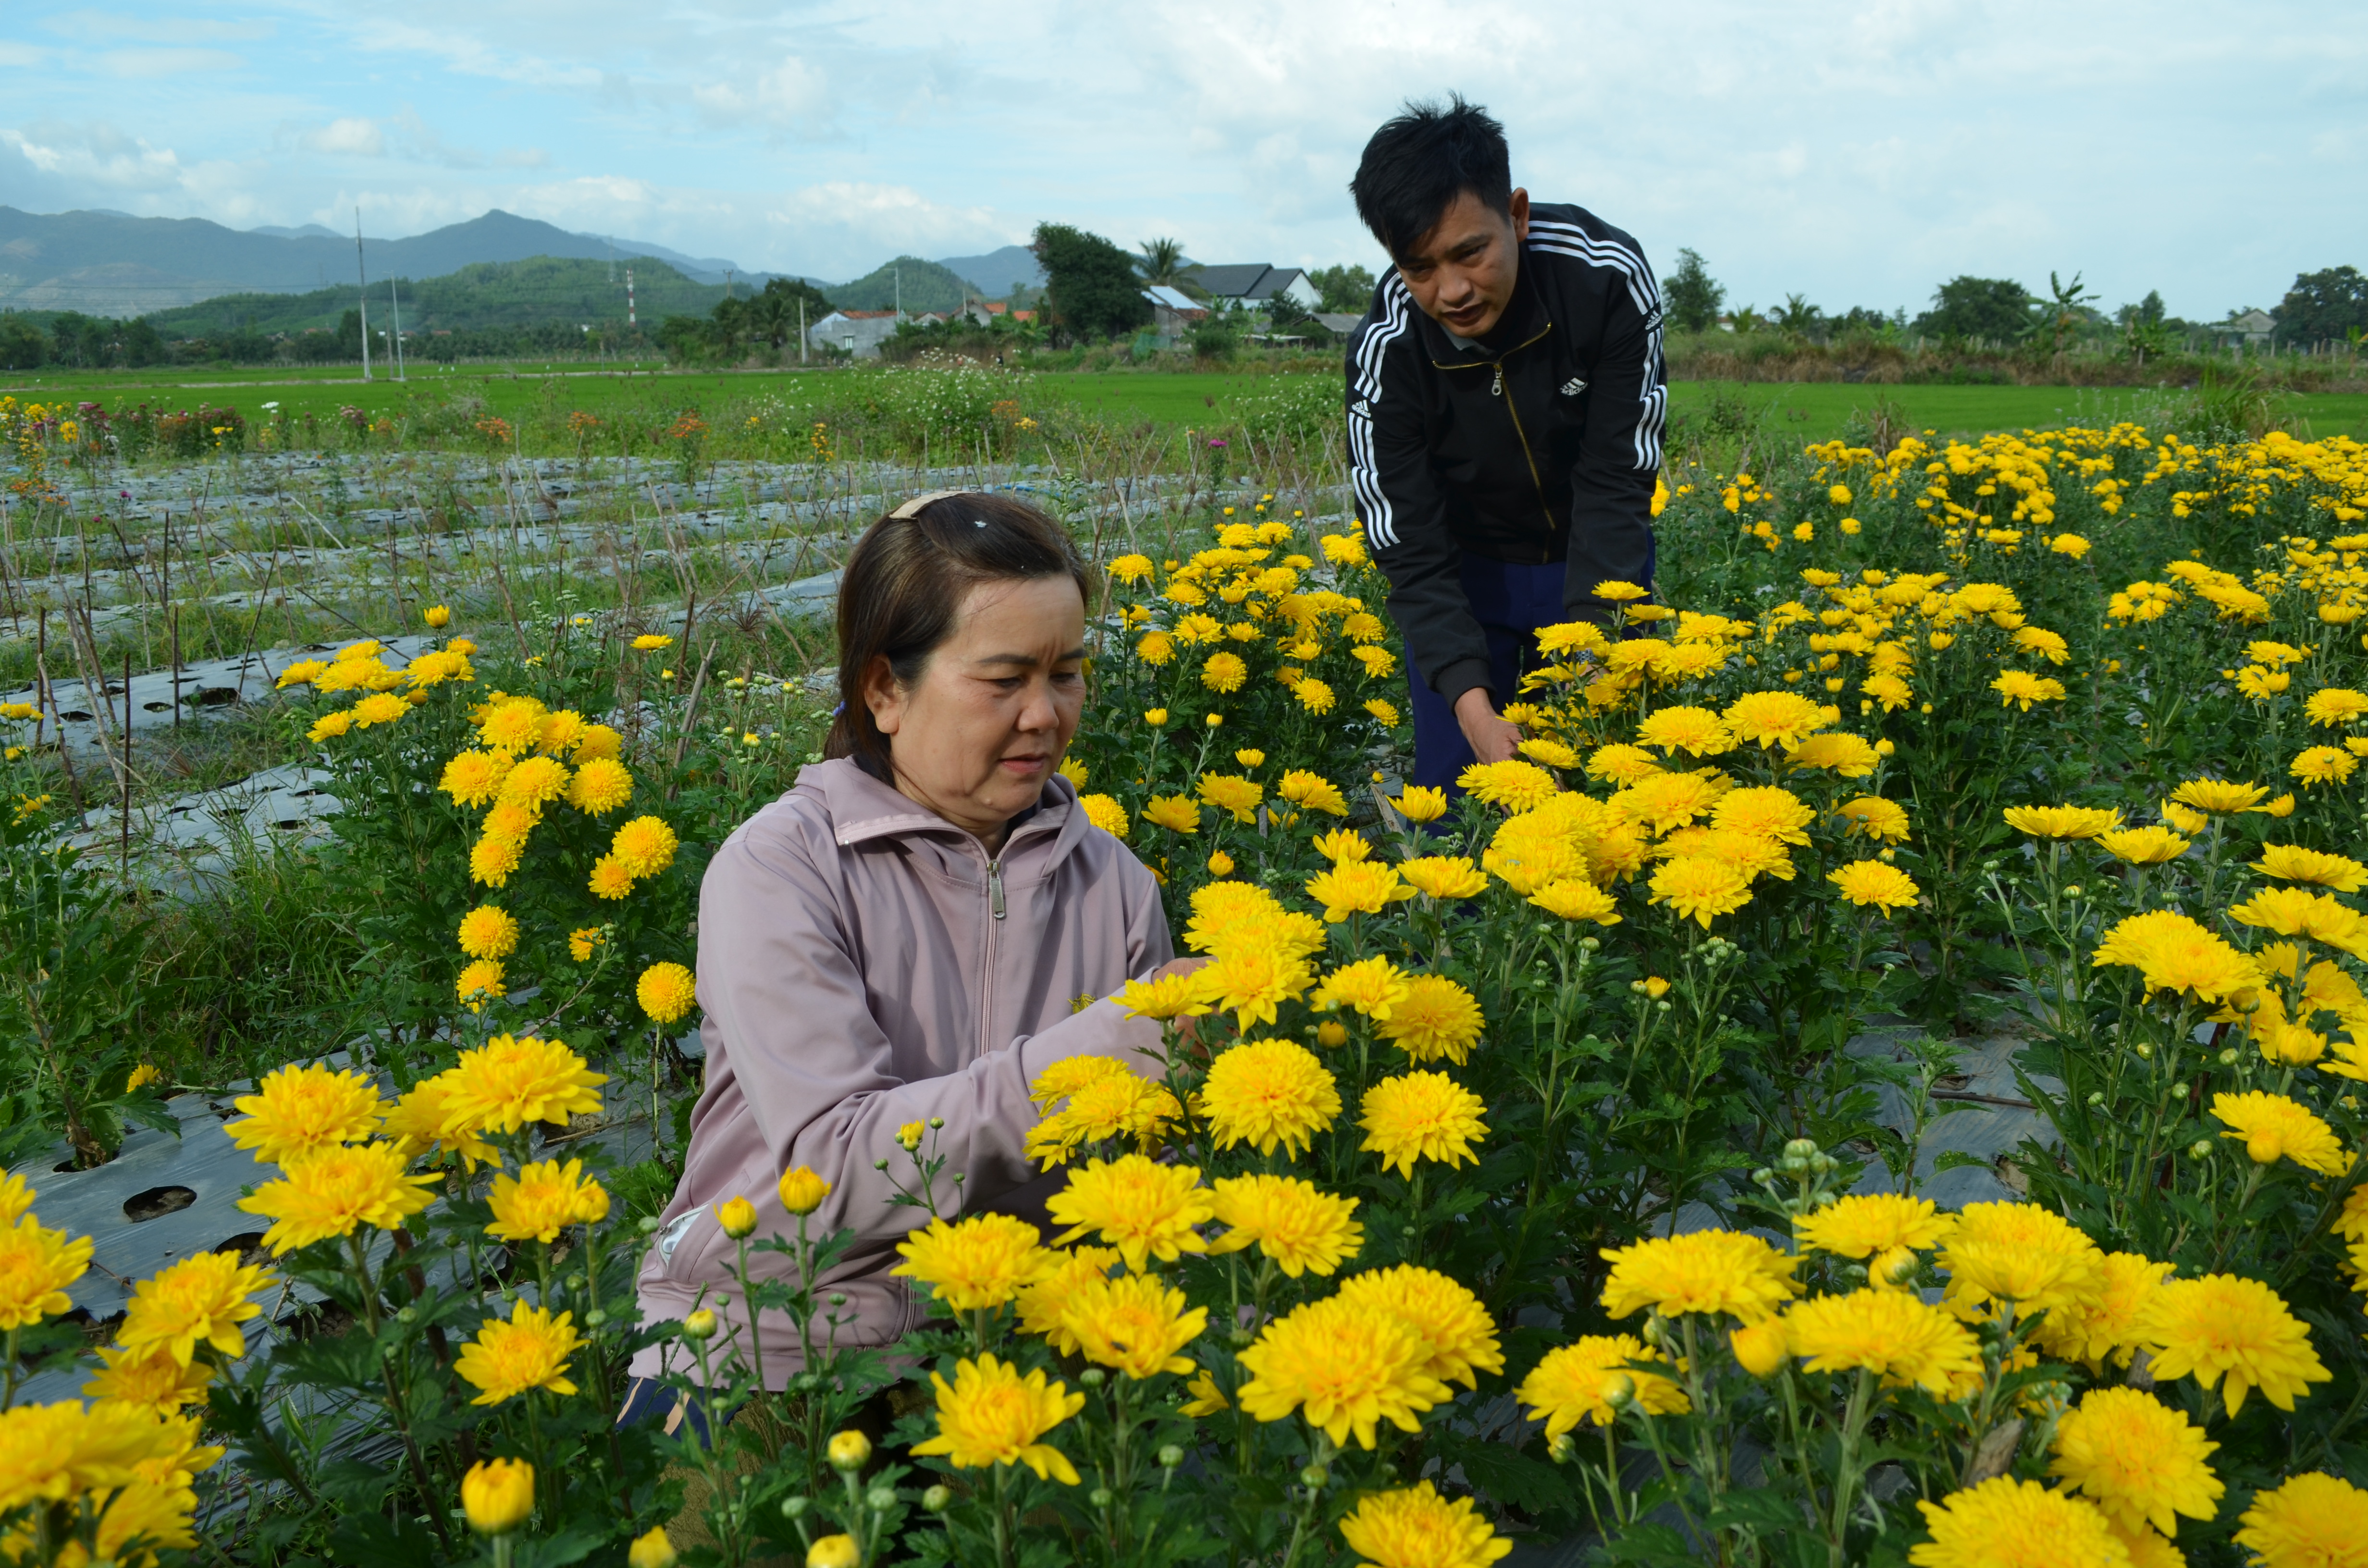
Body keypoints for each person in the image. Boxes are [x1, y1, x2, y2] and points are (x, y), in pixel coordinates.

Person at [622, 490, 1185, 1434]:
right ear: (885, 690)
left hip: (1018, 1345)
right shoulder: (783, 868)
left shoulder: (1114, 882)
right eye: (1004, 680)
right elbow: (835, 1169)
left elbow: (1149, 1178)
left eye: (1067, 674)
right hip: (776, 1340)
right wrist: (1100, 1057)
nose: (1045, 716)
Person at [1344, 95, 1665, 794]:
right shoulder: (1388, 350)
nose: (1452, 290)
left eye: (1471, 252)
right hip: (1466, 577)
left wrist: (1593, 645)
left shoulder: (1604, 277)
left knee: (1604, 783)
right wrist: (1471, 701)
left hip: (1592, 553)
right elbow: (1410, 546)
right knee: (1461, 800)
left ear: (1517, 215)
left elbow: (1618, 479)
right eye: (1420, 267)